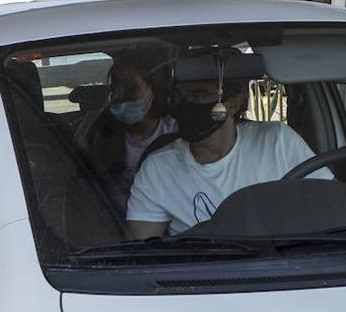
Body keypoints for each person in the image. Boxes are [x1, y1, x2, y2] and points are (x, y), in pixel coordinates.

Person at [126, 76, 329, 238]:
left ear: (233, 104)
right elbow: (143, 252)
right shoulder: (159, 168)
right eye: (181, 97)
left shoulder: (278, 141)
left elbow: (329, 208)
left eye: (199, 94)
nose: (188, 104)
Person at [73, 51, 177, 219]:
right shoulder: (94, 131)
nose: (121, 96)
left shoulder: (175, 132)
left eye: (131, 88)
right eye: (115, 89)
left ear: (154, 90)